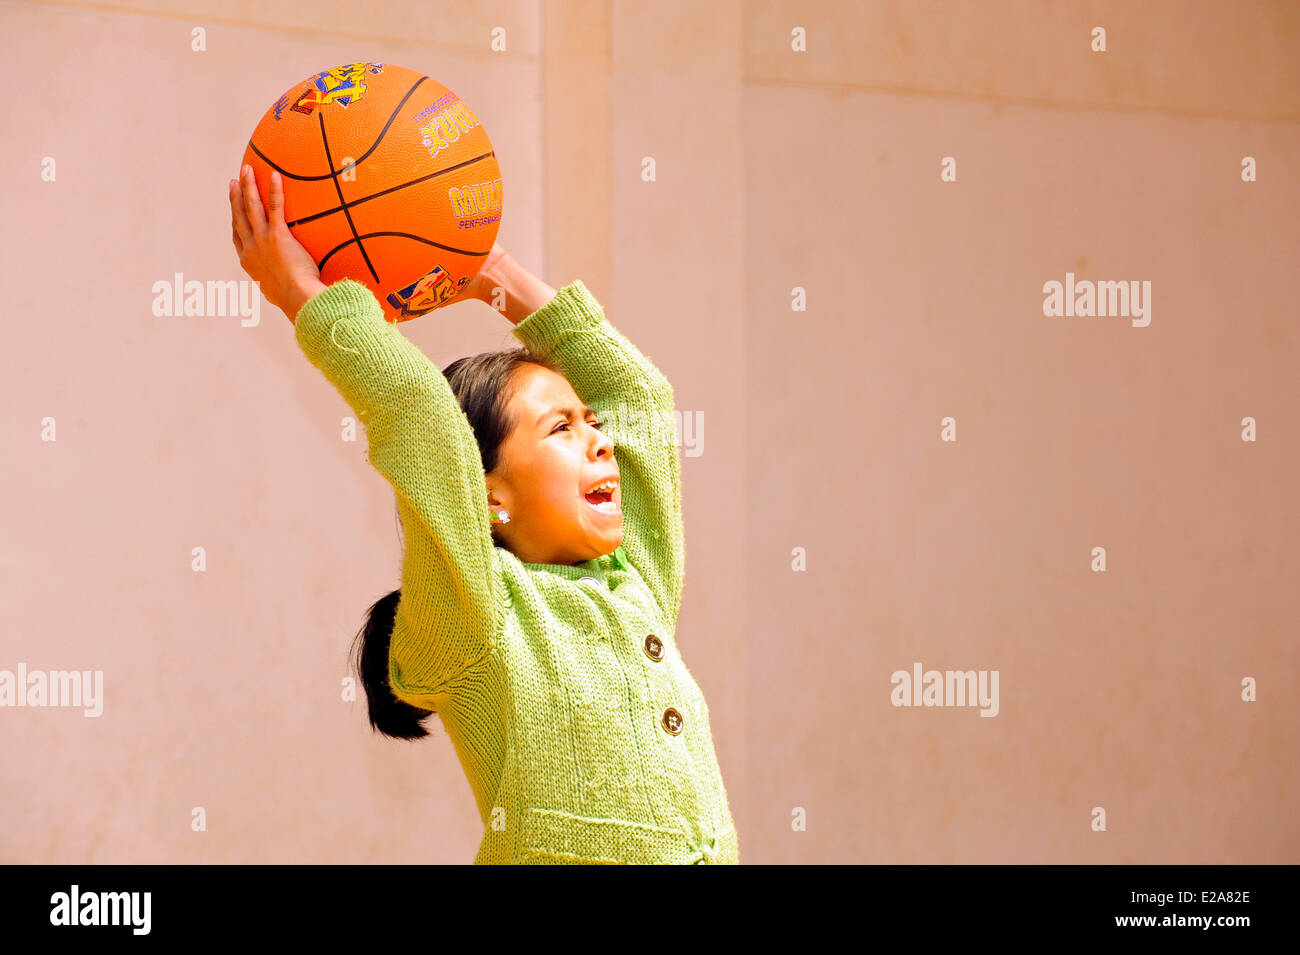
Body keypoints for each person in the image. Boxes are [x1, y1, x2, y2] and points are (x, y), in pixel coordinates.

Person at [228, 165, 738, 864]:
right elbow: (419, 412)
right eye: (562, 428)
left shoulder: (638, 583)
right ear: (487, 492)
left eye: (592, 424)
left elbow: (637, 394)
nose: (600, 440)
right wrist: (299, 294)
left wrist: (487, 270)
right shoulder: (477, 614)